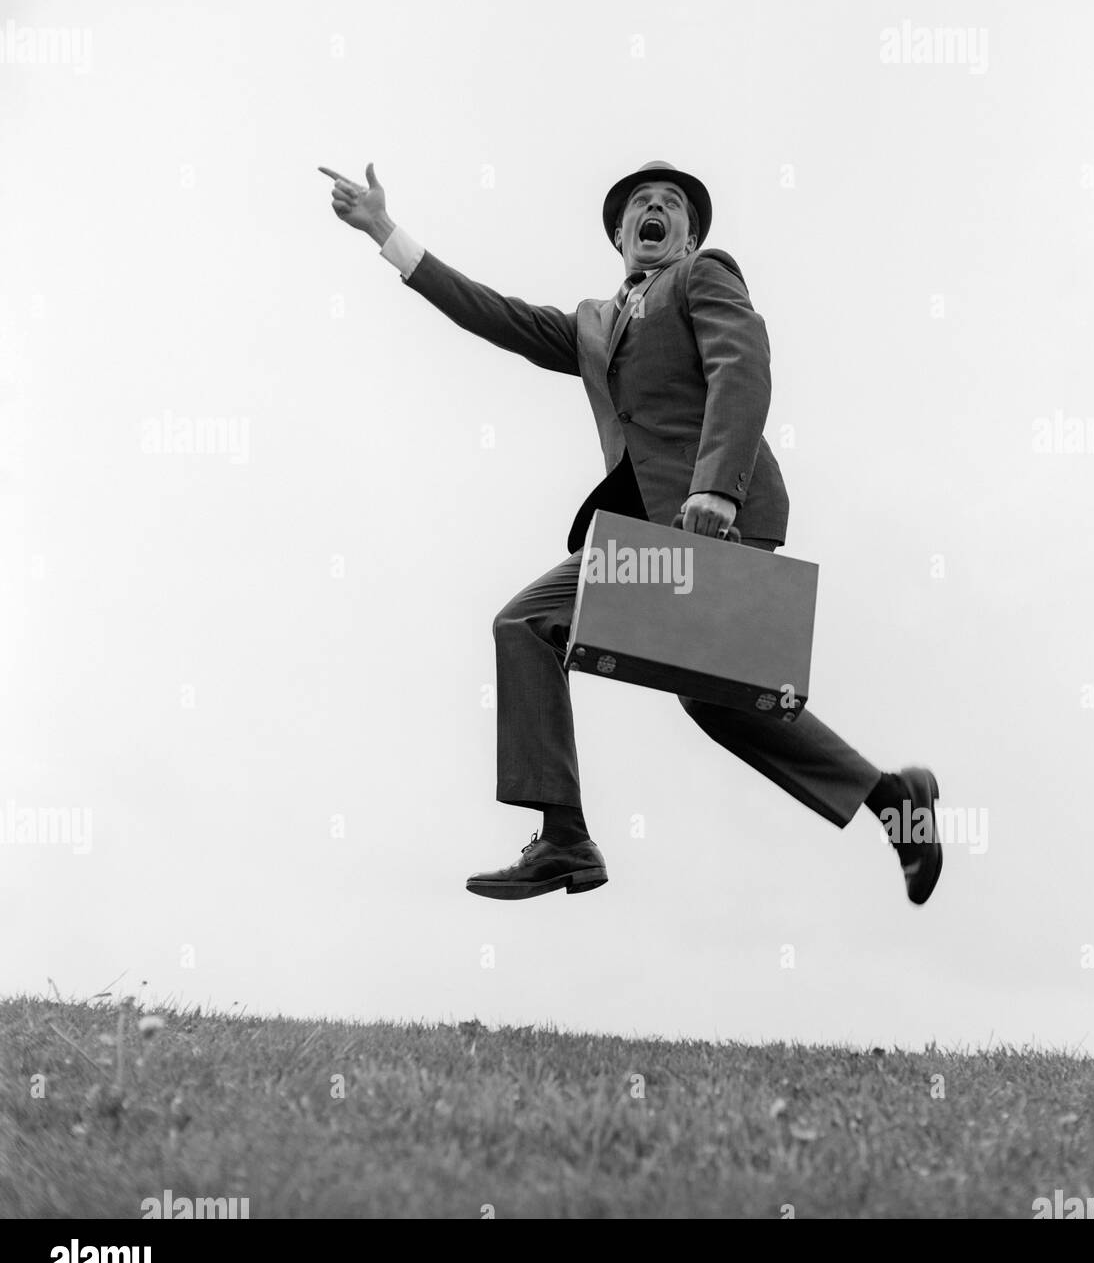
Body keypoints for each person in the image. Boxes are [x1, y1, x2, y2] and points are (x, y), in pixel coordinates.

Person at [320, 159, 943, 906]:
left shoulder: (702, 276)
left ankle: (563, 840)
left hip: (709, 511)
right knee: (714, 697)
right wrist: (387, 232)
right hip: (642, 527)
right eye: (639, 204)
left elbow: (741, 366)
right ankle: (892, 801)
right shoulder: (592, 324)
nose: (655, 209)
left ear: (688, 234)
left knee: (529, 623)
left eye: (671, 204)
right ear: (620, 235)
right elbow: (497, 316)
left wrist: (716, 487)